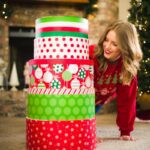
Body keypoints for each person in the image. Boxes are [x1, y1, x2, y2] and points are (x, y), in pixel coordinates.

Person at [89, 20, 143, 142]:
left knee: (91, 114)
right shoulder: (92, 55)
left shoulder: (127, 69)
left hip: (99, 101)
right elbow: (79, 90)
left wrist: (125, 131)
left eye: (114, 44)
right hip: (82, 97)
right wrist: (88, 133)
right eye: (106, 40)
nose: (107, 47)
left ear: (125, 48)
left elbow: (127, 101)